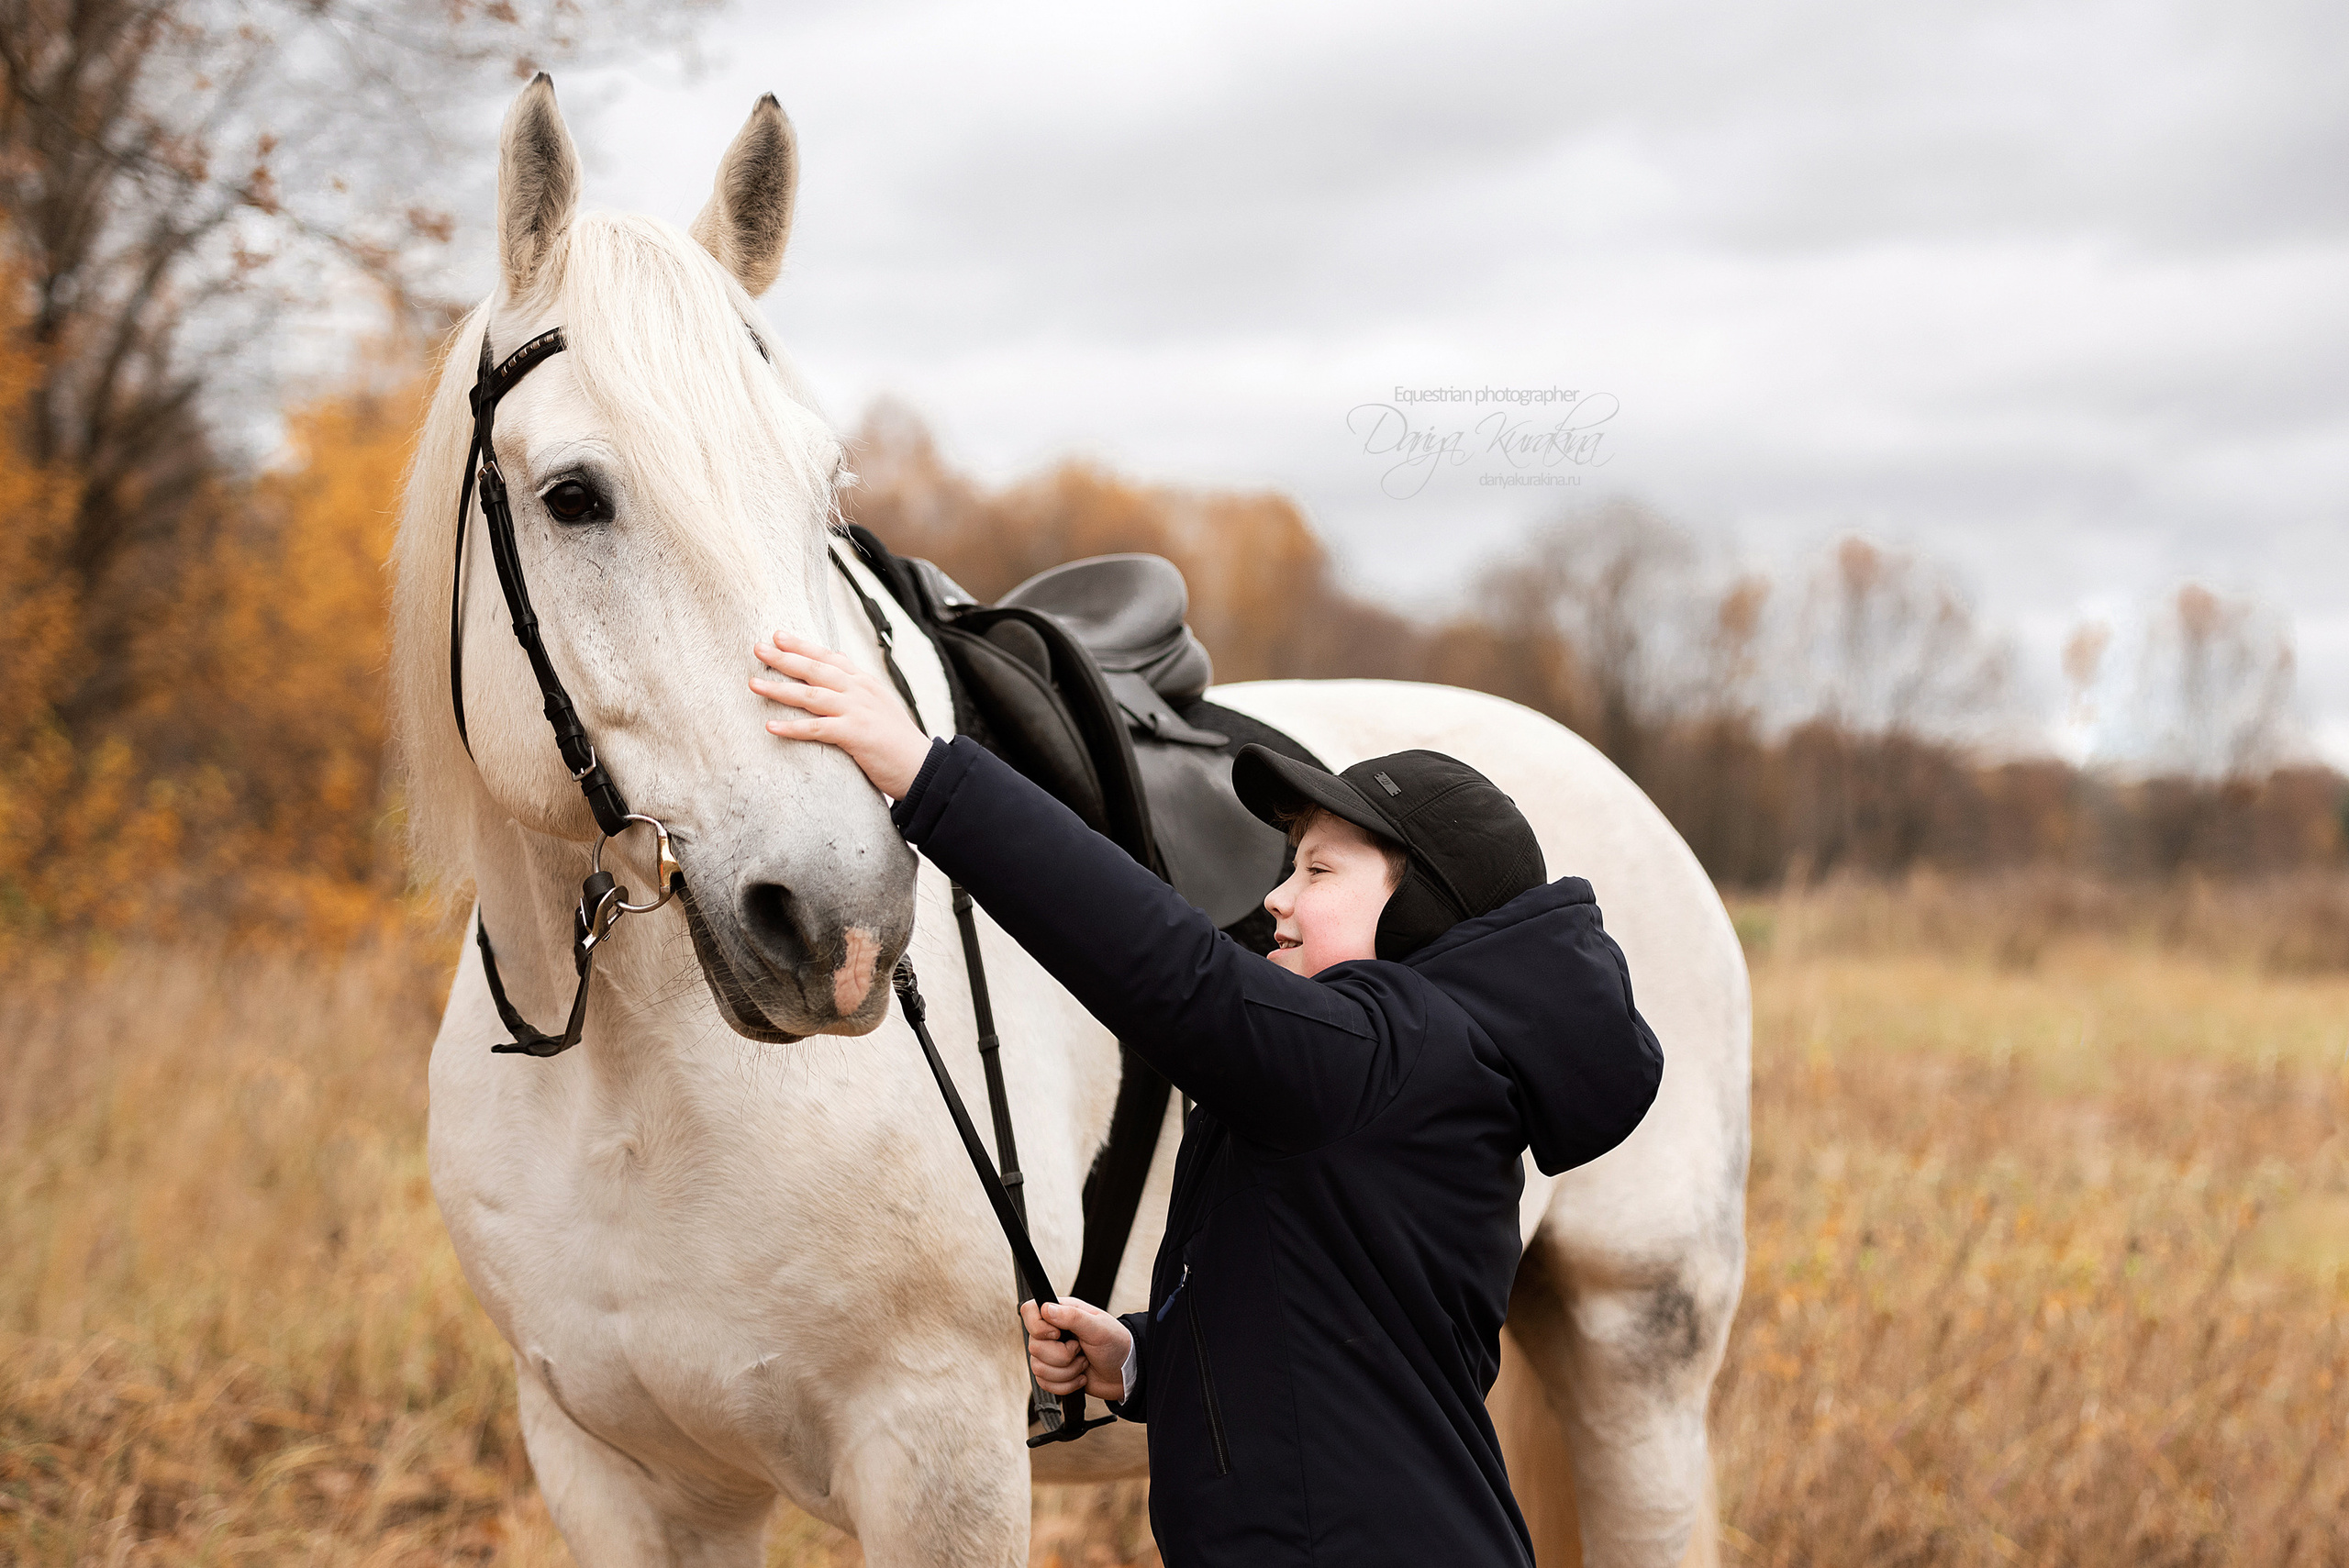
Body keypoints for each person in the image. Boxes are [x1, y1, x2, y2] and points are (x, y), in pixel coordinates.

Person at [751, 628, 1663, 1568]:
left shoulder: (1386, 1054)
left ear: (1418, 904)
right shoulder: (1392, 1077)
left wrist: (923, 773)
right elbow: (1330, 1328)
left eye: (1316, 870)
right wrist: (1144, 1356)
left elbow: (1169, 967)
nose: (1275, 897)